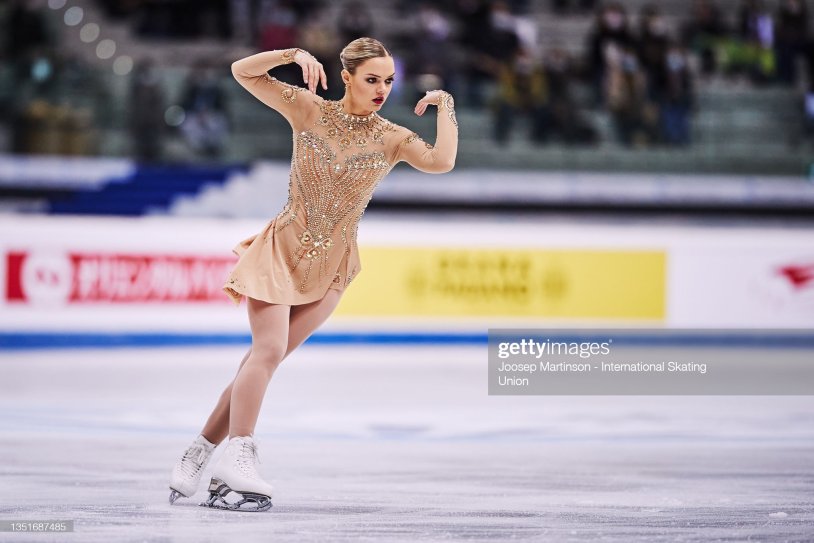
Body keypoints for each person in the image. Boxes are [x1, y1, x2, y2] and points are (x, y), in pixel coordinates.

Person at [167, 37, 458, 512]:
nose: (381, 89)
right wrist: (290, 55)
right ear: (346, 77)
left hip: (333, 267)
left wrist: (445, 107)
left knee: (263, 361)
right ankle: (239, 454)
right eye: (371, 79)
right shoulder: (308, 109)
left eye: (388, 81)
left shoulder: (393, 138)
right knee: (267, 350)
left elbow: (441, 161)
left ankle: (198, 452)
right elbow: (243, 71)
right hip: (281, 250)